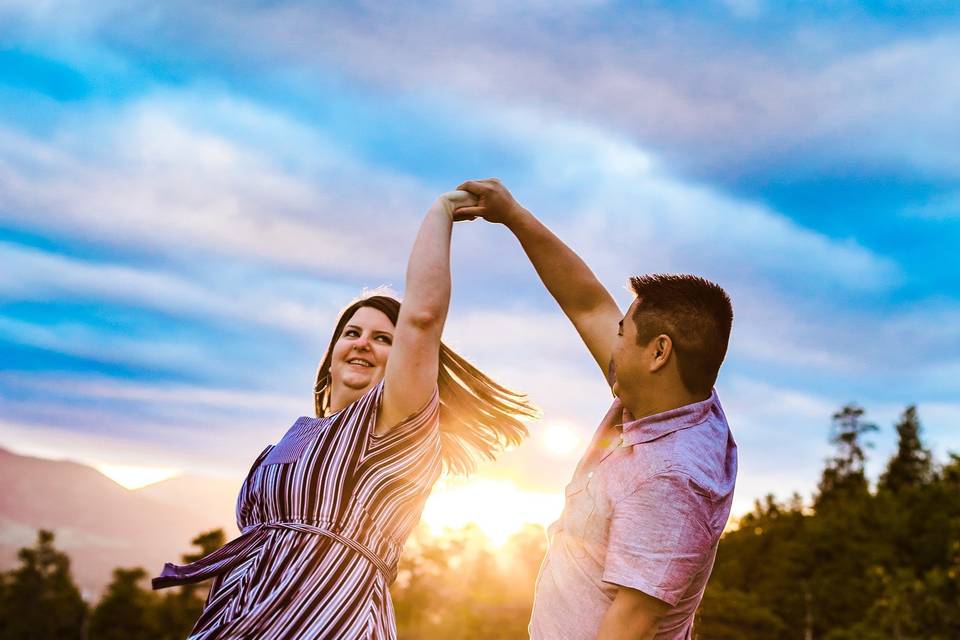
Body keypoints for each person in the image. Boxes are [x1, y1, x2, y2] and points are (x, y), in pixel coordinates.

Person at [151, 190, 537, 639]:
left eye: (382, 339)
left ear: (404, 360)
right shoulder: (294, 437)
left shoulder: (394, 422)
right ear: (331, 353)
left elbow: (424, 316)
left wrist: (442, 211)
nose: (362, 343)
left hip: (333, 619)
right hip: (242, 618)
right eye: (352, 332)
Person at [456, 179, 738, 640]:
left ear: (658, 352)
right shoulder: (672, 398)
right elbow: (586, 303)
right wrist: (512, 214)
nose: (614, 340)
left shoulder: (672, 479)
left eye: (624, 333)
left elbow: (630, 626)